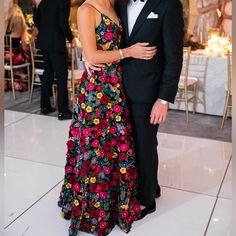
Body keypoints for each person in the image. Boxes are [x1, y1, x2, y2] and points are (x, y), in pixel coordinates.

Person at [58, 0, 158, 235]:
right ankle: (94, 209)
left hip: (117, 87)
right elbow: (92, 53)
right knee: (97, 148)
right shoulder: (86, 9)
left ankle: (114, 204)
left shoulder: (115, 5)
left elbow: (97, 50)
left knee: (115, 146)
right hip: (97, 90)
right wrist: (128, 52)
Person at [87, 0, 184, 220]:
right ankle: (152, 186)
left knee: (145, 144)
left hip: (148, 91)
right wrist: (87, 54)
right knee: (129, 143)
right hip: (116, 89)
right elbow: (106, 37)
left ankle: (146, 200)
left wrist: (163, 99)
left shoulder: (169, 5)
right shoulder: (119, 3)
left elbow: (174, 57)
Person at [34, 0, 76, 120]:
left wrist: (45, 31)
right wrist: (71, 38)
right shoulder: (64, 2)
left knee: (48, 73)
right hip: (56, 42)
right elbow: (63, 23)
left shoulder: (44, 1)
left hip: (44, 42)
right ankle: (63, 111)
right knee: (62, 75)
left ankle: (45, 106)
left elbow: (36, 19)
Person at [5, 4, 30, 92]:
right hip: (17, 58)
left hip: (5, 57)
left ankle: (11, 78)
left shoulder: (5, 25)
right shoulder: (23, 27)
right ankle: (18, 75)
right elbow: (24, 47)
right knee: (26, 57)